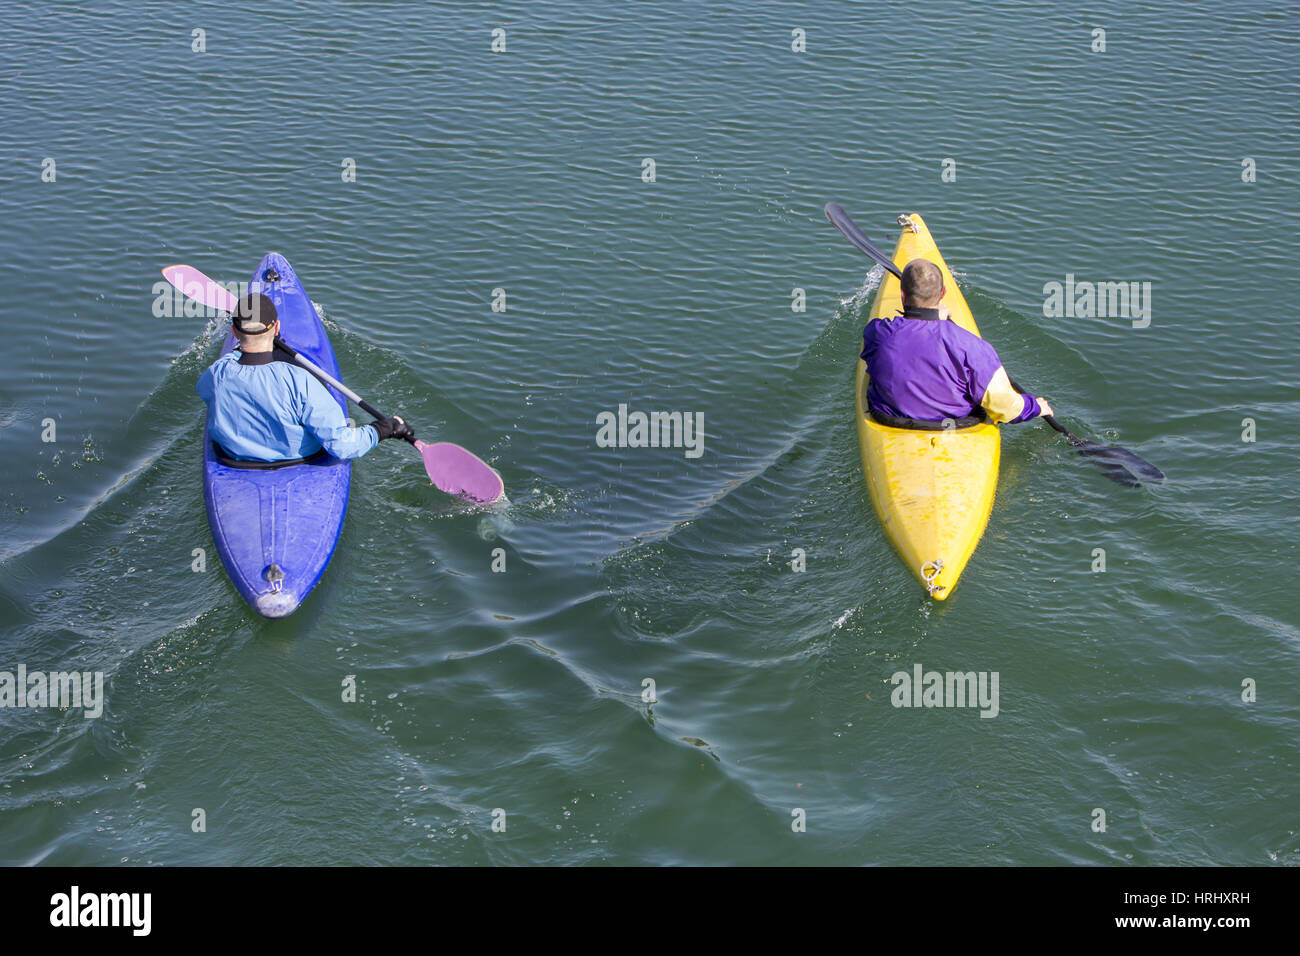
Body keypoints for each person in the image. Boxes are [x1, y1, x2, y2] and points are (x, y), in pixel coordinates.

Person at [197, 293, 413, 463]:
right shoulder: (300, 380)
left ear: (234, 332)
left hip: (234, 459)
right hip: (297, 459)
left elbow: (204, 390)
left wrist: (241, 348)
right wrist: (383, 429)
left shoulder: (218, 373)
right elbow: (342, 447)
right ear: (277, 327)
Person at [861, 259, 1053, 425]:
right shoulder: (973, 347)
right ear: (943, 293)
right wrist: (1034, 407)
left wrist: (929, 320)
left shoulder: (877, 333)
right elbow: (1006, 408)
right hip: (952, 426)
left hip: (891, 420)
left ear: (902, 294)